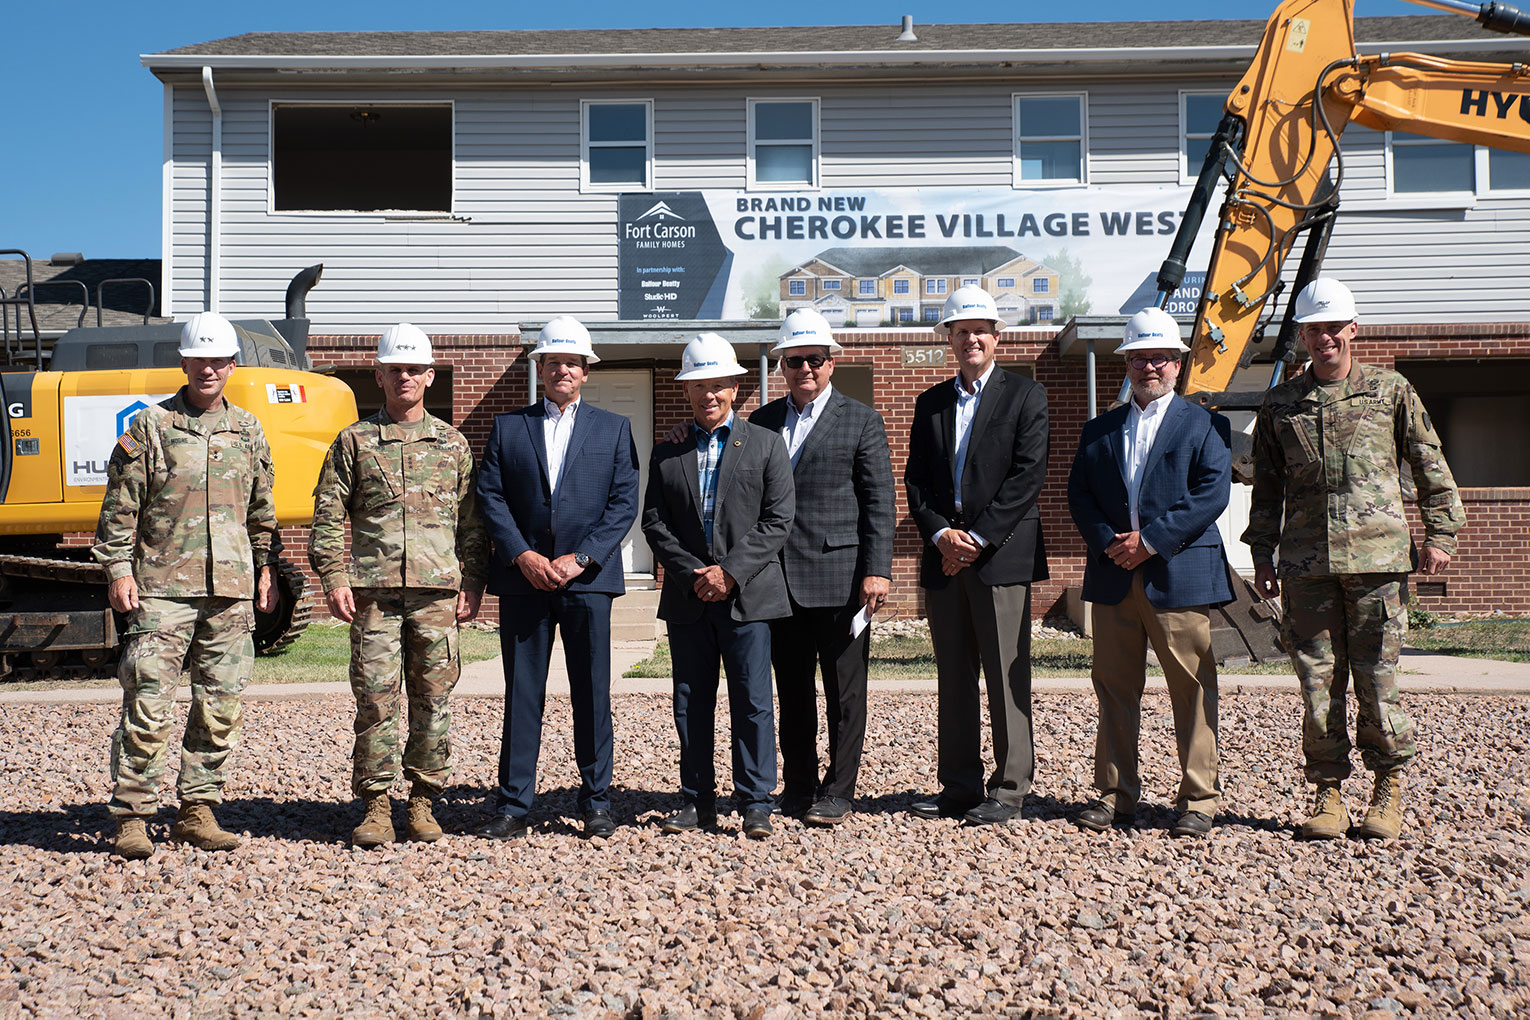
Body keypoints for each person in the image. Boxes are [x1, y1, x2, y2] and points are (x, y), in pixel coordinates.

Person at [1245, 277, 1464, 842]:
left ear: (1353, 330)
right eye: (1314, 328)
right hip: (1306, 567)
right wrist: (1262, 554)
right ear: (1302, 334)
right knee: (1318, 680)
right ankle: (1328, 790)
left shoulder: (1392, 391)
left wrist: (1440, 534)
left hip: (1378, 563)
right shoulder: (1282, 402)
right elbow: (1266, 488)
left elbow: (1430, 465)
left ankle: (1386, 788)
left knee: (1377, 678)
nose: (1324, 338)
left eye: (1333, 327)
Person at [95, 311, 279, 859]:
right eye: (199, 359)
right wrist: (118, 570)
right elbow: (119, 509)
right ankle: (133, 813)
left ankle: (198, 808)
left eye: (218, 360)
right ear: (184, 362)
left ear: (231, 365)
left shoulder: (247, 430)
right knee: (149, 702)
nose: (208, 369)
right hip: (161, 590)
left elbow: (262, 512)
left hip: (230, 590)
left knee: (219, 706)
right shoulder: (151, 427)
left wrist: (265, 567)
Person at [310, 322, 489, 847]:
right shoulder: (355, 441)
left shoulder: (452, 445)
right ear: (379, 375)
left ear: (430, 376)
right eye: (395, 370)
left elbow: (472, 524)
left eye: (414, 369)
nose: (405, 378)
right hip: (375, 596)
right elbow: (326, 514)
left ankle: (424, 801)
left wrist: (473, 581)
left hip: (436, 595)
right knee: (375, 700)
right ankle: (374, 806)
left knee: (433, 699)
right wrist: (334, 576)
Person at [1067, 308, 1235, 839]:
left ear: (1177, 363)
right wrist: (1111, 544)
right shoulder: (1099, 430)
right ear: (1127, 363)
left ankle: (1199, 799)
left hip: (1178, 574)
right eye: (1140, 358)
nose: (1149, 367)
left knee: (1191, 687)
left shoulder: (1206, 423)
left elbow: (1212, 492)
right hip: (1116, 574)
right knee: (1115, 687)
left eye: (1159, 357)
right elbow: (1081, 496)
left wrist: (1153, 541)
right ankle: (1116, 794)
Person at [472, 316, 640, 841]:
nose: (562, 369)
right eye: (552, 361)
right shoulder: (508, 427)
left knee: (592, 692)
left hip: (587, 583)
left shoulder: (613, 429)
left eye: (572, 361)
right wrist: (521, 554)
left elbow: (622, 504)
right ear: (539, 368)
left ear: (586, 370)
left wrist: (580, 559)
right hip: (526, 581)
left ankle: (596, 802)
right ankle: (514, 804)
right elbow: (491, 496)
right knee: (523, 692)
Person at [904, 285, 1050, 827]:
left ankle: (1010, 788)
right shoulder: (931, 402)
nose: (970, 339)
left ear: (997, 336)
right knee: (954, 677)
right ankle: (959, 786)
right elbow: (916, 480)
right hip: (946, 559)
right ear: (950, 339)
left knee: (1006, 672)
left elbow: (1026, 477)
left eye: (979, 330)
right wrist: (942, 535)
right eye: (960, 331)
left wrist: (978, 540)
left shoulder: (1025, 396)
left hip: (1000, 557)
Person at [641, 333, 795, 839]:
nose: (709, 395)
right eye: (698, 386)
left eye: (718, 385)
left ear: (735, 387)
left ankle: (755, 801)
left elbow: (777, 520)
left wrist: (728, 573)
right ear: (687, 391)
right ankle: (696, 800)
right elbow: (655, 523)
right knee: (691, 700)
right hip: (689, 599)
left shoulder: (767, 445)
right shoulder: (668, 452)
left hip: (748, 597)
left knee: (752, 700)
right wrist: (695, 575)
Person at [750, 309, 895, 825]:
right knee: (790, 688)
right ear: (782, 365)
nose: (804, 369)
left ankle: (839, 789)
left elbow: (879, 501)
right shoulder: (762, 421)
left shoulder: (862, 420)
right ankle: (800, 783)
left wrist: (877, 570)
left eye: (814, 359)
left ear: (831, 362)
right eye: (794, 361)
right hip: (777, 580)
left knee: (844, 691)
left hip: (841, 578)